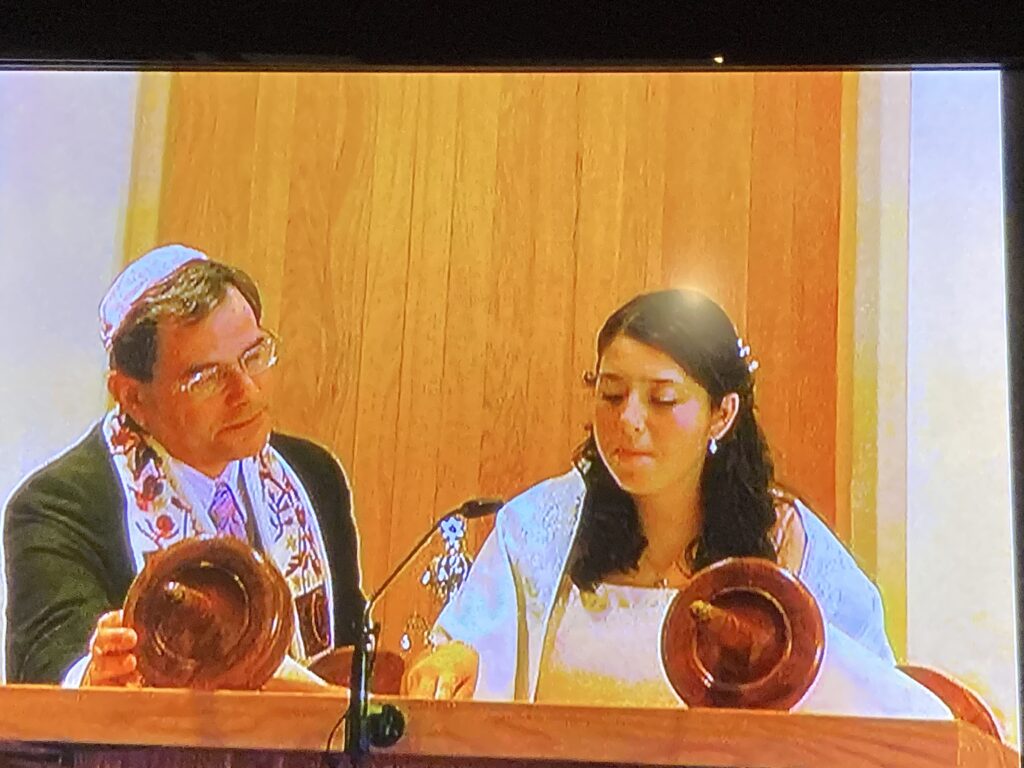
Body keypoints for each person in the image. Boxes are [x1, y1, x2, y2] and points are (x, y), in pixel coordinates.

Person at [403, 288, 951, 719]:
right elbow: (473, 647)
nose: (628, 421)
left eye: (662, 399)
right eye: (611, 394)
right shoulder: (542, 525)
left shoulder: (782, 536)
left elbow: (879, 706)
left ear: (722, 414)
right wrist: (457, 662)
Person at [3, 244, 364, 687]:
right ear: (133, 397)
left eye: (253, 356)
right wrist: (94, 675)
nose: (247, 391)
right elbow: (47, 664)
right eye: (207, 377)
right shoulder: (58, 507)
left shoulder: (313, 476)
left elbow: (348, 654)